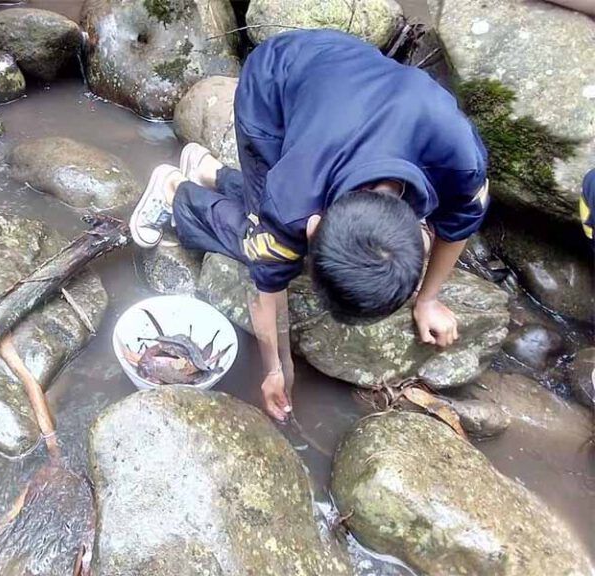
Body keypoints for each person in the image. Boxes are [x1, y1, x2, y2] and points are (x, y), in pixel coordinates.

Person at [130, 30, 490, 421]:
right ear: (313, 226)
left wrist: (429, 299)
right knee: (265, 237)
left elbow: (459, 224)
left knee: (271, 220)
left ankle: (208, 170)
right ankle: (176, 191)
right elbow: (267, 283)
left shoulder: (460, 158)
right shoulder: (294, 199)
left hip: (346, 77)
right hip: (276, 83)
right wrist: (276, 367)